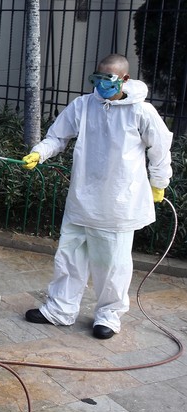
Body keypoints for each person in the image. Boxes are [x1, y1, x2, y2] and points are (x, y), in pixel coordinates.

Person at [21, 53, 173, 339]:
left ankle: (108, 315)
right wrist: (39, 152)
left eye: (108, 78)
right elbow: (58, 136)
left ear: (124, 79)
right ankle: (60, 309)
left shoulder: (141, 111)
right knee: (69, 256)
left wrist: (159, 182)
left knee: (112, 263)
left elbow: (160, 149)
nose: (102, 83)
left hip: (118, 201)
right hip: (82, 198)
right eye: (98, 77)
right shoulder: (83, 105)